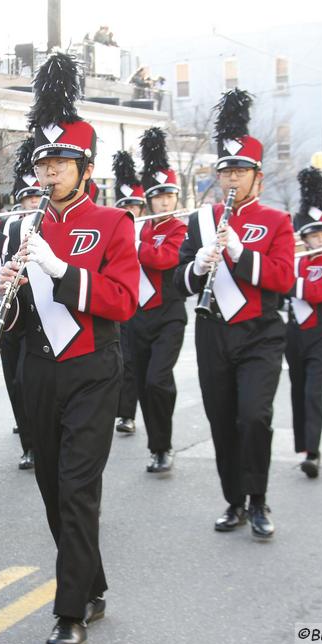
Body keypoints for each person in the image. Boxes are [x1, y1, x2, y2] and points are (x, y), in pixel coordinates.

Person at [0, 52, 138, 644]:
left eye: (61, 163)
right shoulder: (22, 228)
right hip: (38, 369)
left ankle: (70, 609)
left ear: (85, 167)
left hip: (92, 368)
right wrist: (8, 288)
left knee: (78, 487)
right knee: (53, 488)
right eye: (44, 164)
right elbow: (25, 311)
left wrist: (64, 271)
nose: (49, 174)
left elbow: (123, 300)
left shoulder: (112, 223)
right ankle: (92, 579)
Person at [173, 89, 295, 540]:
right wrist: (197, 265)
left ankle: (259, 498)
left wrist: (241, 254)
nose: (231, 177)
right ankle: (234, 501)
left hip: (261, 332)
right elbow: (177, 283)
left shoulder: (278, 221)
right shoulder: (201, 221)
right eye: (225, 169)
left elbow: (283, 279)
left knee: (254, 416)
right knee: (221, 419)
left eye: (240, 170)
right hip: (213, 333)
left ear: (257, 178)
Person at [0, 137, 44, 469]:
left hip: (40, 314)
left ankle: (39, 440)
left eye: (37, 196)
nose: (32, 202)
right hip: (10, 315)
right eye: (27, 197)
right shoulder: (10, 226)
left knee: (29, 380)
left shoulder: (51, 224)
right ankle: (28, 443)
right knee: (14, 382)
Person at [130, 127, 187, 474]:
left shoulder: (180, 228)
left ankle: (164, 445)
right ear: (149, 199)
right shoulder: (140, 227)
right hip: (137, 315)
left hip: (168, 313)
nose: (164, 202)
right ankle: (157, 447)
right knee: (142, 384)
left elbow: (165, 259)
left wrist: (134, 243)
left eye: (169, 196)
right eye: (158, 197)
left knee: (157, 380)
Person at [286, 168, 322, 479]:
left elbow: (319, 293)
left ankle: (313, 452)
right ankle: (302, 446)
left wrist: (288, 282)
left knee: (313, 392)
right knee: (297, 391)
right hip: (293, 334)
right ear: (305, 238)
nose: (320, 239)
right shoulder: (295, 261)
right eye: (314, 235)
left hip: (319, 334)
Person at [111, 150, 144, 437]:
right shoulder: (117, 226)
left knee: (145, 369)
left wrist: (137, 242)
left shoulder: (146, 231)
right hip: (121, 304)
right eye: (126, 205)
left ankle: (130, 414)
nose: (132, 210)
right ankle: (122, 411)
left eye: (136, 205)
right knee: (125, 360)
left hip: (148, 306)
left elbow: (163, 259)